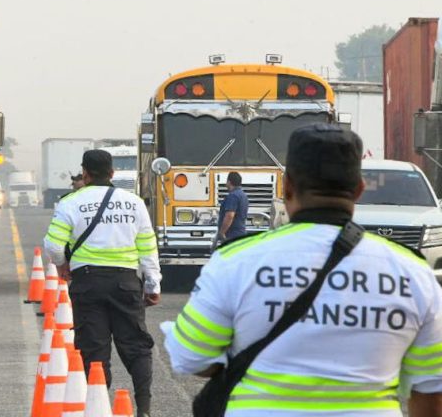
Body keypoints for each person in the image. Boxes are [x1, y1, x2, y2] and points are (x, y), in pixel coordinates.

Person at [163, 124, 442, 416]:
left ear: (286, 187)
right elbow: (431, 389)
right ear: (358, 190)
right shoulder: (412, 271)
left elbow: (191, 358)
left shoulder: (236, 261)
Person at [45, 150, 161, 417]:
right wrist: (152, 285)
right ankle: (144, 408)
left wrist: (62, 265)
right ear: (112, 173)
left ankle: (98, 408)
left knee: (93, 348)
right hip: (126, 282)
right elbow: (147, 247)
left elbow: (52, 245)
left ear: (84, 173)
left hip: (87, 283)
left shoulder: (70, 203)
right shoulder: (134, 203)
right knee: (136, 346)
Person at [217, 171, 249, 247]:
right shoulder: (243, 195)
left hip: (232, 235)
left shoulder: (233, 196)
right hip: (241, 232)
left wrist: (222, 232)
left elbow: (230, 216)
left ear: (229, 182)